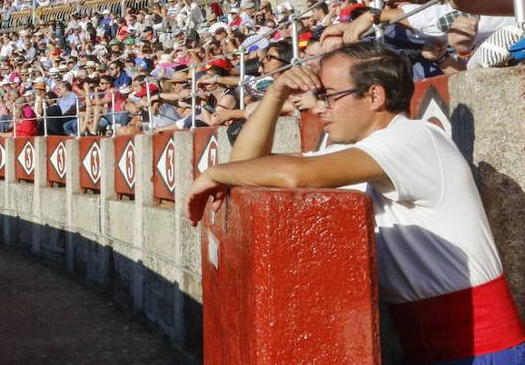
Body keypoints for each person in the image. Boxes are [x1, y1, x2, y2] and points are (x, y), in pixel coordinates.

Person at [186, 41, 524, 364]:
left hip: (482, 350)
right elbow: (245, 164)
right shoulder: (363, 152)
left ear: (374, 95)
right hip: (434, 347)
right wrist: (275, 95)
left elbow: (294, 176)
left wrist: (215, 173)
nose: (320, 108)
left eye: (331, 97)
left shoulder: (414, 138)